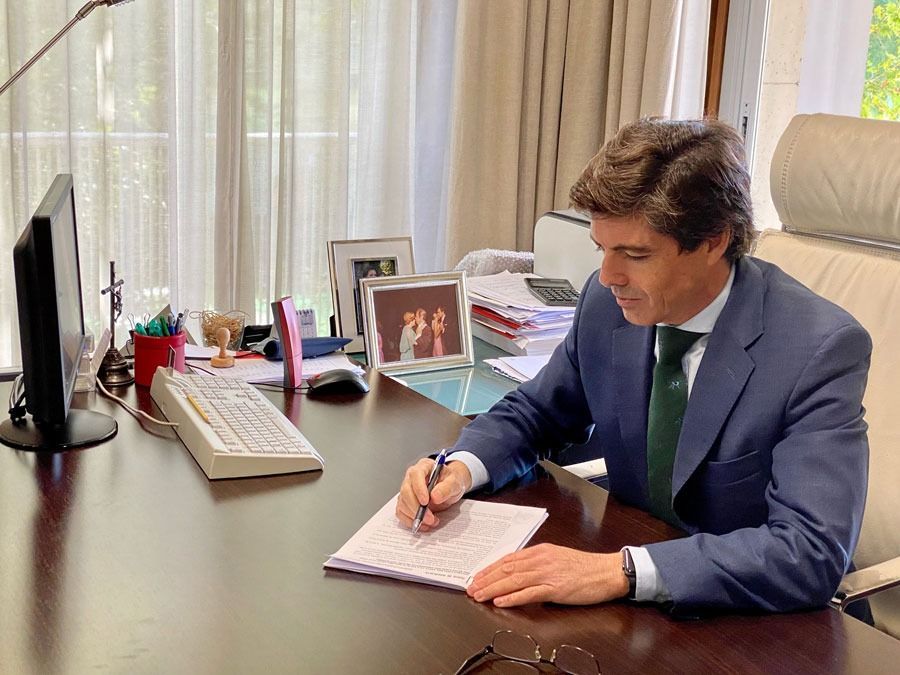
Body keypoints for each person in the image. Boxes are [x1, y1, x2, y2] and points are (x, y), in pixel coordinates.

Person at [395, 118, 871, 616]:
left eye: (635, 254)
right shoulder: (607, 304)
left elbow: (810, 551)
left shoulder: (818, 349)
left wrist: (621, 571)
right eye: (602, 249)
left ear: (713, 241)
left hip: (759, 622)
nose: (607, 276)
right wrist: (459, 468)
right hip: (640, 603)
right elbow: (538, 413)